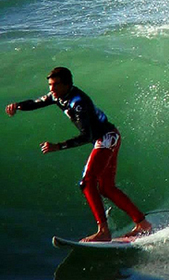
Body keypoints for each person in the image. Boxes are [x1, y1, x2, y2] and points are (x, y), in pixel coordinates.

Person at [5, 67, 152, 242]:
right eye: (50, 85)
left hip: (106, 138)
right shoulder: (57, 96)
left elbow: (86, 136)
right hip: (107, 137)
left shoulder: (78, 103)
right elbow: (37, 102)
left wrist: (57, 146)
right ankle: (143, 224)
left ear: (67, 84)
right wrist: (18, 106)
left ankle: (103, 231)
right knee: (106, 188)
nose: (51, 89)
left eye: (55, 85)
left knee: (87, 182)